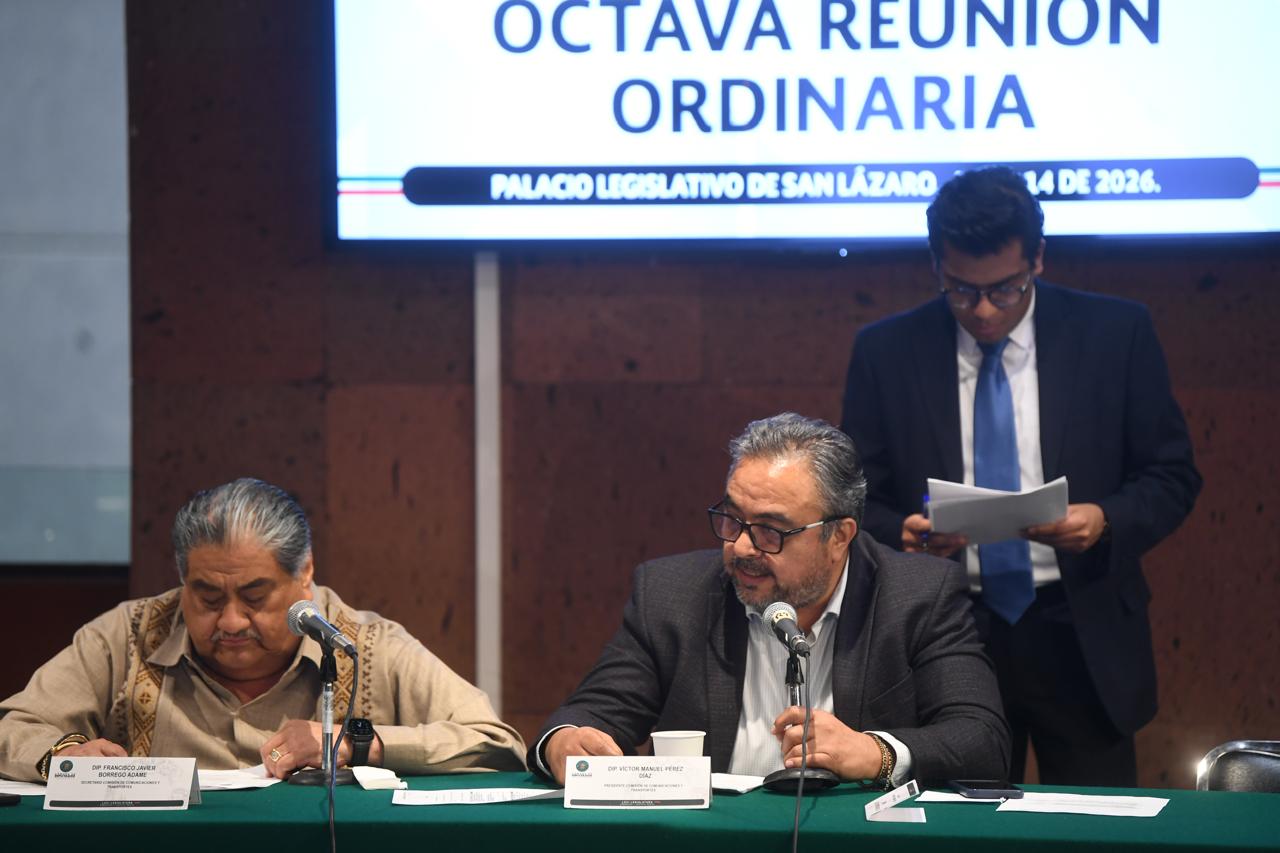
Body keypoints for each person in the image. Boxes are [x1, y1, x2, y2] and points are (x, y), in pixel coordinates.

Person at [840, 166, 1201, 786]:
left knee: (1095, 821)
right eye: (961, 290)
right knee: (959, 819)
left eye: (1004, 290)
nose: (982, 310)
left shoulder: (1115, 335)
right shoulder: (887, 351)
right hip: (948, 627)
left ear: (1038, 259)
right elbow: (852, 495)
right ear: (936, 265)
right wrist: (902, 533)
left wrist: (1105, 520)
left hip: (1079, 622)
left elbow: (1172, 474)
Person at [529, 413, 1009, 787]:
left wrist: (876, 753)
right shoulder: (671, 594)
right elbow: (591, 712)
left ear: (839, 536)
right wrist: (564, 742)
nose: (741, 547)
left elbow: (981, 738)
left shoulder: (917, 596)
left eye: (770, 530)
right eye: (732, 518)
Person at [0, 478, 526, 782]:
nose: (231, 621)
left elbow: (496, 744)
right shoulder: (128, 634)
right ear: (182, 579)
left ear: (305, 574)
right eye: (207, 598)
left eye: (255, 597)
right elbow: (16, 725)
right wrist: (63, 754)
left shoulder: (365, 646)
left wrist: (354, 743)